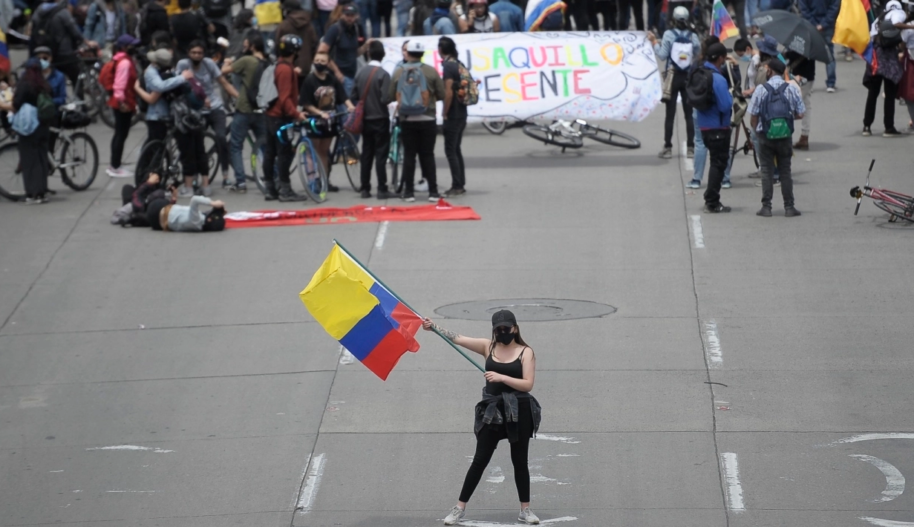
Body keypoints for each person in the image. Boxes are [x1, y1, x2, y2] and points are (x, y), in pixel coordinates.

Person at [422, 310, 542, 527]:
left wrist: (501, 376)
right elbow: (457, 338)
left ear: (515, 328)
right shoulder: (489, 346)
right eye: (499, 329)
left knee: (519, 461)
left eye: (507, 328)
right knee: (480, 460)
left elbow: (528, 384)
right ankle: (459, 508)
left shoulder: (526, 352)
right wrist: (435, 328)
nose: (503, 332)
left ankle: (525, 510)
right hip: (492, 413)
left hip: (519, 411)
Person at [176, 39, 239, 192]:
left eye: (199, 53)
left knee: (221, 138)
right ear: (188, 54)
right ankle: (197, 176)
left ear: (204, 54)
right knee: (198, 145)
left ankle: (225, 176)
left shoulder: (209, 64)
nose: (197, 55)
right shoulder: (183, 65)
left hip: (215, 106)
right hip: (196, 111)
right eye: (193, 53)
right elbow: (177, 85)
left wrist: (240, 99)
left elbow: (224, 82)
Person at [389, 40, 445, 202]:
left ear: (408, 52)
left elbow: (391, 95)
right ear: (422, 54)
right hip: (428, 118)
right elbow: (441, 94)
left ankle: (408, 193)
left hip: (406, 119)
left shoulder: (398, 71)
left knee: (409, 155)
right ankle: (433, 192)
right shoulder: (431, 71)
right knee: (428, 154)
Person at [748, 58, 805, 217]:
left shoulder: (760, 89)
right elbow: (800, 113)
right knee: (785, 172)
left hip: (765, 136)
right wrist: (784, 120)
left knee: (766, 171)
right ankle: (789, 207)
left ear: (770, 71)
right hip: (785, 136)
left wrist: (758, 131)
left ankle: (766, 207)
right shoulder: (792, 88)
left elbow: (753, 116)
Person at [649, 6, 700, 159]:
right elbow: (697, 55)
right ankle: (691, 147)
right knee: (689, 115)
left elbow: (662, 55)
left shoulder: (668, 35)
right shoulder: (693, 36)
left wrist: (654, 42)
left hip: (673, 77)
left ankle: (668, 147)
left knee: (670, 114)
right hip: (688, 78)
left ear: (674, 19)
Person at [301, 51, 356, 191]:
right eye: (317, 60)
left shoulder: (332, 79)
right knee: (313, 151)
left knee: (324, 152)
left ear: (328, 63)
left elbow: (342, 95)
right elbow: (306, 103)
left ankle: (324, 181)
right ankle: (313, 181)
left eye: (322, 61)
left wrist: (350, 106)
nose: (319, 63)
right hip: (314, 121)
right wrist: (319, 113)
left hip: (329, 122)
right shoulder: (309, 80)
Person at [263, 34, 309, 202]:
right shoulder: (286, 70)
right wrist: (297, 114)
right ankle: (285, 190)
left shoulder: (278, 66)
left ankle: (270, 188)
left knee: (270, 152)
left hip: (270, 116)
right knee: (284, 153)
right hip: (280, 119)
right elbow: (285, 98)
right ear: (295, 51)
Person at [224, 31, 266, 193]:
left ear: (252, 45)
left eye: (246, 43)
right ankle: (273, 176)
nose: (244, 45)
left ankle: (240, 182)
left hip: (244, 108)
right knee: (264, 145)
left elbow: (223, 71)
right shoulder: (268, 62)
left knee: (235, 145)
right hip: (261, 109)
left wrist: (227, 61)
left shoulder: (247, 60)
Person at [350, 40, 392, 199]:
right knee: (381, 155)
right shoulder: (383, 74)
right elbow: (385, 98)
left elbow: (353, 95)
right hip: (380, 118)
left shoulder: (360, 73)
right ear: (383, 55)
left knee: (366, 154)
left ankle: (365, 188)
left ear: (368, 54)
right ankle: (382, 188)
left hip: (365, 119)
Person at [695, 42, 733, 214]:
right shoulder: (718, 79)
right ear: (720, 58)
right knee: (718, 164)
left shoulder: (700, 73)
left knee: (715, 162)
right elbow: (725, 106)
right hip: (718, 127)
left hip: (704, 125)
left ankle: (711, 199)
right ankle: (712, 201)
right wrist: (731, 97)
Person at [862, 0, 909, 137]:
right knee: (889, 94)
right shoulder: (898, 13)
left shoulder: (878, 19)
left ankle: (866, 126)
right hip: (889, 57)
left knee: (873, 93)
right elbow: (896, 24)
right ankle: (888, 127)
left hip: (875, 57)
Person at [135, 48, 192, 151]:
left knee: (157, 143)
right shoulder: (151, 72)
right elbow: (159, 87)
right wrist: (182, 78)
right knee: (156, 145)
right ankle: (149, 166)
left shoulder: (162, 71)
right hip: (156, 115)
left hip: (165, 113)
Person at [30, 0, 98, 86]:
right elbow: (74, 31)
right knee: (76, 78)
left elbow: (33, 28)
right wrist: (87, 42)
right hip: (64, 52)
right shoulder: (62, 12)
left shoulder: (38, 10)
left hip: (46, 52)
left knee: (49, 77)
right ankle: (79, 98)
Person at [13, 60, 53, 204]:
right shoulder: (44, 84)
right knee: (42, 159)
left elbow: (16, 103)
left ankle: (32, 194)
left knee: (30, 160)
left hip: (29, 126)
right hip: (43, 125)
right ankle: (42, 191)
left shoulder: (25, 84)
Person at [318, 3, 372, 98]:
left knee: (351, 108)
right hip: (339, 77)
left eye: (352, 15)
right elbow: (322, 52)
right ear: (342, 15)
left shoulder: (355, 29)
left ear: (357, 16)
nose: (349, 18)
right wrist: (337, 72)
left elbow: (354, 53)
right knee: (344, 109)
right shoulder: (335, 29)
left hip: (353, 76)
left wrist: (366, 46)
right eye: (347, 15)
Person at [107, 34, 140, 178]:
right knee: (121, 134)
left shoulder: (120, 59)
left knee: (120, 133)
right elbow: (119, 85)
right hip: (123, 103)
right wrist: (122, 102)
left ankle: (115, 164)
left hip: (123, 102)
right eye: (131, 45)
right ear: (125, 47)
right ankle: (115, 166)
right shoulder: (125, 63)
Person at [439, 36, 468, 197]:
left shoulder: (449, 66)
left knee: (450, 150)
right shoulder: (459, 64)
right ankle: (460, 183)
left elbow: (448, 92)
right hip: (462, 112)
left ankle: (457, 184)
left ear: (441, 50)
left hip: (454, 113)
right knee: (456, 149)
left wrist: (444, 112)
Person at [276, 0, 321, 88]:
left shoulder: (284, 26)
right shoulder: (309, 25)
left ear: (287, 11)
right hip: (306, 67)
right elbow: (314, 44)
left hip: (288, 67)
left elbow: (278, 46)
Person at [798, 0, 838, 93]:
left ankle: (809, 82)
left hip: (810, 26)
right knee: (829, 54)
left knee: (809, 55)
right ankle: (831, 83)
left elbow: (804, 9)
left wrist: (813, 24)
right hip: (828, 27)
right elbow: (834, 8)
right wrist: (824, 24)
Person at [146, 194, 227, 231]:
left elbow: (194, 200)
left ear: (209, 219)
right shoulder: (199, 224)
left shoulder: (196, 221)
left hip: (158, 212)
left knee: (158, 193)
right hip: (164, 215)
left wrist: (213, 203)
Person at [785, 50, 813, 150]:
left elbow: (796, 53)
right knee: (806, 105)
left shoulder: (800, 41)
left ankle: (785, 135)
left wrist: (786, 54)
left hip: (801, 77)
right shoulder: (810, 40)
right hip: (807, 75)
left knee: (790, 105)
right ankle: (804, 135)